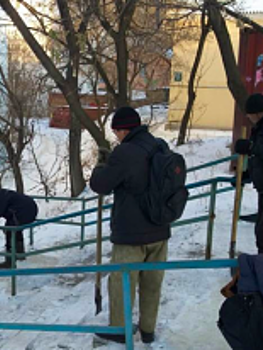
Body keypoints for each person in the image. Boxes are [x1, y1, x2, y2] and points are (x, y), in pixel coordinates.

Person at [89, 107, 170, 344]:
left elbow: (100, 185)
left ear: (123, 130)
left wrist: (102, 163)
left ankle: (119, 330)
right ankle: (147, 330)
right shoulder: (159, 146)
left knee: (122, 283)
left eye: (116, 132)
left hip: (132, 234)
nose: (116, 137)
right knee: (151, 283)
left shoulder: (125, 152)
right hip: (160, 229)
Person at [234, 93, 263, 255]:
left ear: (256, 112)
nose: (248, 118)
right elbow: (262, 160)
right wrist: (247, 175)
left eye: (249, 114)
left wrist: (250, 147)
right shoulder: (262, 127)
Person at [0, 189, 38, 269]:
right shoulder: (3, 193)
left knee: (10, 231)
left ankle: (10, 261)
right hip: (31, 209)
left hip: (22, 212)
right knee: (16, 230)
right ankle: (20, 254)